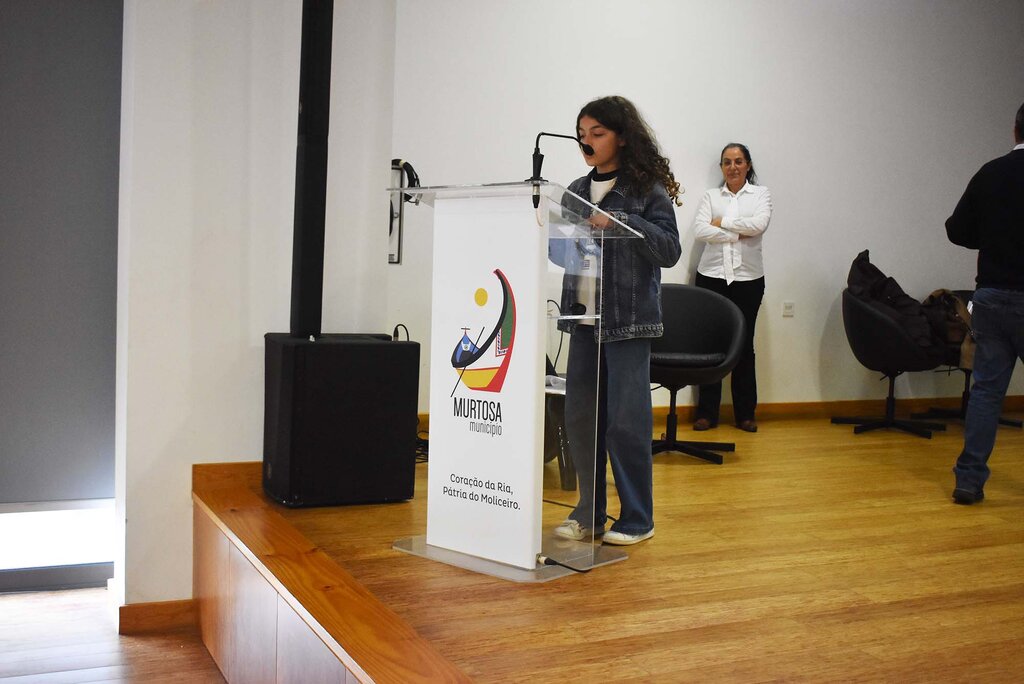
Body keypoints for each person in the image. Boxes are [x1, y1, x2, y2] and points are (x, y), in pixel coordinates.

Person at [549, 95, 682, 545]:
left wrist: (620, 222)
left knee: (625, 422)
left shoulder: (647, 190)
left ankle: (638, 519)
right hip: (582, 319)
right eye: (581, 135)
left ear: (622, 137)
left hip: (628, 322)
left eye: (597, 134)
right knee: (581, 418)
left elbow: (669, 250)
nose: (586, 142)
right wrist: (558, 235)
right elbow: (559, 253)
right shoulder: (574, 190)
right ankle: (589, 512)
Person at [945, 101, 1024, 505]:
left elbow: (956, 230)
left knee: (987, 392)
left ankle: (969, 480)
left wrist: (992, 236)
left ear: (1015, 130)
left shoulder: (990, 172)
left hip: (991, 297)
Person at [691, 143, 772, 433]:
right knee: (710, 345)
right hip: (711, 277)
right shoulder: (711, 196)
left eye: (738, 161)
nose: (733, 167)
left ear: (748, 165)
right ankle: (707, 413)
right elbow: (701, 230)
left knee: (744, 346)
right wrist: (738, 233)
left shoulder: (761, 194)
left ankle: (745, 414)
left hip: (748, 280)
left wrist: (722, 223)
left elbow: (759, 225)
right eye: (727, 162)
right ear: (721, 167)